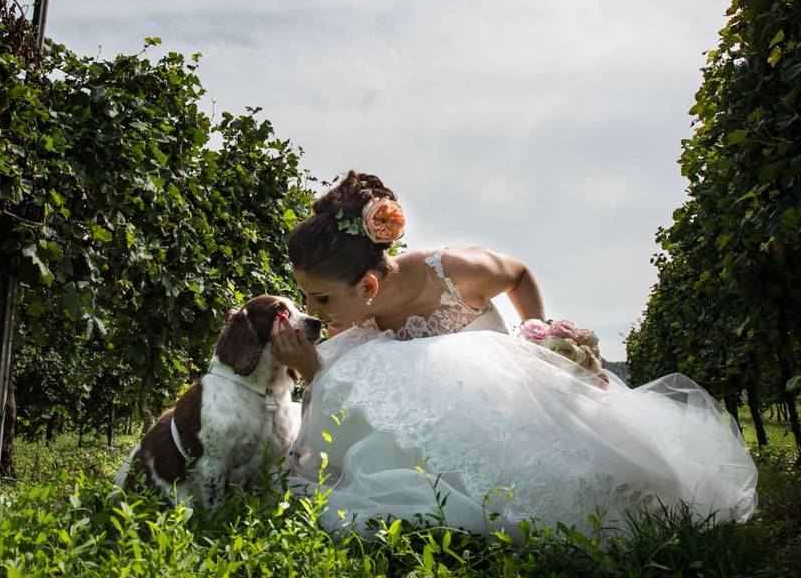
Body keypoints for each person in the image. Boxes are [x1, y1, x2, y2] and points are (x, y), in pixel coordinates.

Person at [271, 171, 757, 539]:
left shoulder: (452, 269)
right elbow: (357, 399)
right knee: (362, 365)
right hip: (431, 416)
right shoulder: (356, 317)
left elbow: (518, 273)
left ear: (369, 285)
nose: (314, 312)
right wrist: (315, 368)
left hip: (497, 391)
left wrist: (537, 336)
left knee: (592, 474)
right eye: (307, 297)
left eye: (322, 300)